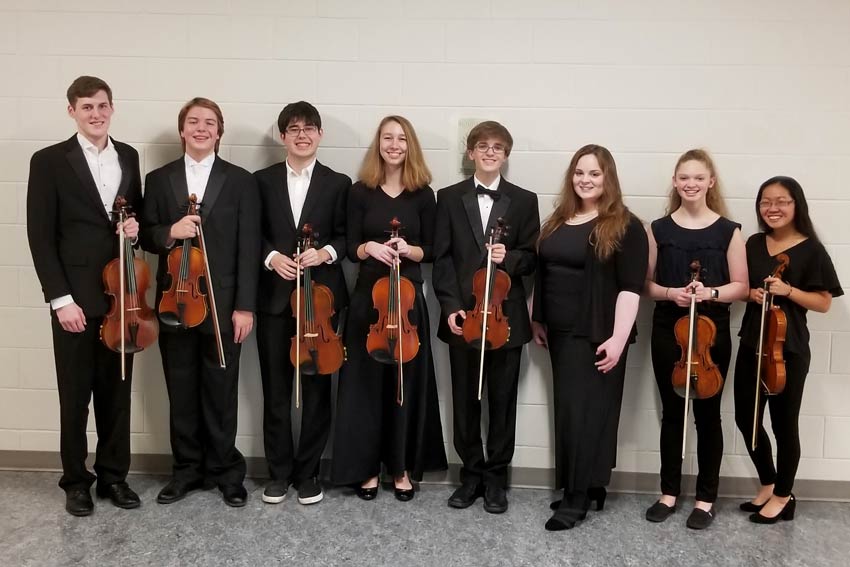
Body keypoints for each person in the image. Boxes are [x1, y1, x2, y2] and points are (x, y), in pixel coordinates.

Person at [27, 76, 143, 516]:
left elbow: (135, 217)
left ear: (112, 108)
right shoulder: (50, 161)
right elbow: (40, 236)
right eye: (87, 107)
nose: (96, 114)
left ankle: (114, 477)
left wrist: (132, 229)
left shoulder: (128, 156)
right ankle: (76, 481)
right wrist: (61, 300)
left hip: (121, 299)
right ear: (72, 111)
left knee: (118, 393)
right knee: (75, 397)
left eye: (102, 106)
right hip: (75, 300)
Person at [140, 97, 260, 507]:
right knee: (182, 390)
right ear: (182, 130)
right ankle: (186, 471)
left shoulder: (241, 180)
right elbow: (147, 235)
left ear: (219, 131)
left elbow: (249, 247)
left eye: (209, 122)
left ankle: (227, 473)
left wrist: (245, 306)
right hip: (175, 301)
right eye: (193, 121)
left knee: (221, 392)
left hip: (225, 306)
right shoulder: (158, 179)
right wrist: (170, 231)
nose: (201, 128)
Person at [531, 145, 647, 530]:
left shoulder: (626, 225)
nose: (585, 179)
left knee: (586, 415)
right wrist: (537, 319)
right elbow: (544, 271)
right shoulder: (560, 219)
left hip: (597, 333)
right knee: (569, 411)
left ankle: (576, 500)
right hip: (560, 333)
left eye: (594, 174)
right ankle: (587, 485)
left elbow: (631, 289)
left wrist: (618, 338)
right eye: (580, 172)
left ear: (608, 178)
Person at [331, 115, 447, 501]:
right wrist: (370, 247)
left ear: (409, 144)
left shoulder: (423, 194)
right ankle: (365, 468)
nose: (394, 144)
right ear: (377, 143)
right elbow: (349, 246)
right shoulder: (359, 191)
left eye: (401, 138)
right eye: (387, 138)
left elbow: (431, 249)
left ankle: (399, 467)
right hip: (369, 301)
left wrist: (408, 249)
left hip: (409, 299)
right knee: (365, 386)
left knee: (405, 385)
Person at [433, 121, 539, 514]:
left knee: (502, 401)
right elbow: (441, 260)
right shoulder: (448, 197)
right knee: (465, 401)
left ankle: (497, 480)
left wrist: (507, 257)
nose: (490, 152)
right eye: (482, 146)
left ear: (506, 155)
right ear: (470, 153)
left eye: (498, 147)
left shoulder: (525, 201)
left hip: (505, 319)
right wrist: (449, 307)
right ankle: (471, 477)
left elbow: (530, 257)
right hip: (464, 317)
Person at [644, 148, 748, 529]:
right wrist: (672, 293)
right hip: (667, 328)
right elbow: (646, 285)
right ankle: (668, 493)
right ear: (675, 181)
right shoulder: (657, 229)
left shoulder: (729, 230)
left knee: (708, 415)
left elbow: (741, 285)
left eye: (698, 177)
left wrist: (712, 294)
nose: (691, 184)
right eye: (684, 177)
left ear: (710, 182)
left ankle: (705, 499)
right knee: (672, 414)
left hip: (711, 332)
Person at [254, 101, 351, 505]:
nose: (302, 135)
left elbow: (348, 235)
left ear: (320, 135)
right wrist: (272, 258)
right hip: (275, 300)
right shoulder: (259, 181)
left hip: (322, 302)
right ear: (283, 137)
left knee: (316, 388)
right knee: (275, 390)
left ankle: (308, 473)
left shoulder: (338, 182)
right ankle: (277, 473)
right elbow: (249, 233)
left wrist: (325, 252)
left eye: (309, 128)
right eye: (293, 128)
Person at [733, 176, 843, 523]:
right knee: (746, 418)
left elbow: (824, 303)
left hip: (788, 349)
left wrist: (788, 290)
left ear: (797, 205)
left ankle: (784, 495)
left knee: (784, 425)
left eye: (782, 201)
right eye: (766, 201)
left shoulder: (811, 250)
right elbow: (744, 285)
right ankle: (767, 483)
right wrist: (752, 293)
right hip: (752, 342)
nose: (773, 208)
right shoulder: (752, 243)